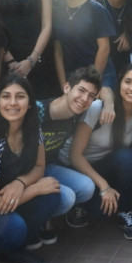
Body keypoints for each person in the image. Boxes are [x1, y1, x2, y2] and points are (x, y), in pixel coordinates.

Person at [0, 76, 62, 263]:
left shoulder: (32, 127)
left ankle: (16, 247)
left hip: (11, 197)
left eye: (20, 96)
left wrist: (21, 182)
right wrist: (34, 189)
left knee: (52, 193)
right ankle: (2, 250)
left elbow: (39, 165)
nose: (12, 103)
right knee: (15, 227)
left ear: (29, 103)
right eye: (6, 96)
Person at [69, 64, 132, 240]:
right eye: (127, 82)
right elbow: (74, 155)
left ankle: (125, 211)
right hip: (81, 169)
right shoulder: (99, 108)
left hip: (106, 168)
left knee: (127, 157)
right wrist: (104, 186)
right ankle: (78, 203)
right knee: (101, 213)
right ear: (119, 84)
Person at [36, 67, 102, 234]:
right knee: (66, 198)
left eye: (91, 96)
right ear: (67, 87)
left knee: (87, 187)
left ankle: (43, 216)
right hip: (26, 171)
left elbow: (107, 91)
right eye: (81, 90)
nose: (84, 99)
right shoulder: (37, 111)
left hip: (48, 167)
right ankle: (35, 221)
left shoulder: (76, 114)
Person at [53, 0, 115, 92]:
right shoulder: (57, 13)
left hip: (99, 75)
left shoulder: (96, 9)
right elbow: (58, 52)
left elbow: (104, 49)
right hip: (72, 77)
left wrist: (92, 85)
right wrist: (63, 85)